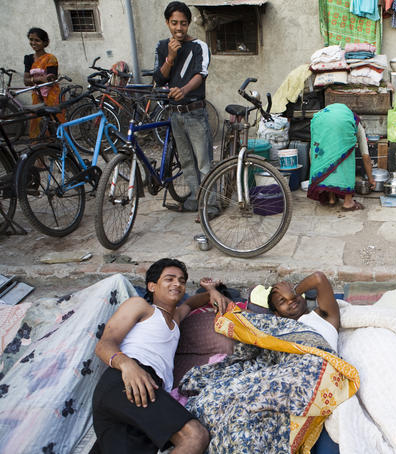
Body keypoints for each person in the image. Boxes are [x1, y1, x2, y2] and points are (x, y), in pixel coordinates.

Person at [92, 258, 231, 453]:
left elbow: (192, 302)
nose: (177, 284)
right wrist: (127, 365)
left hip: (147, 391)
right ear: (152, 286)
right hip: (126, 379)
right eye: (170, 279)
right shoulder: (141, 306)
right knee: (195, 436)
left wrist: (212, 290)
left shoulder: (176, 318)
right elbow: (104, 344)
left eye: (182, 281)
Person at [153, 1, 212, 213]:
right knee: (187, 162)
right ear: (167, 23)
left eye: (183, 23)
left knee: (204, 162)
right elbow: (159, 79)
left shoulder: (199, 46)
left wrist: (184, 90)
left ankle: (211, 205)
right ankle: (196, 200)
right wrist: (170, 57)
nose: (179, 28)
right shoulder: (162, 47)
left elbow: (201, 74)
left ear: (188, 24)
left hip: (194, 111)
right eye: (174, 23)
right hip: (174, 114)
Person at [307, 103, 376, 211]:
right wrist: (371, 179)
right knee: (347, 157)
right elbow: (365, 155)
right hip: (327, 119)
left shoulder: (329, 119)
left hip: (319, 120)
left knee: (326, 156)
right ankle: (348, 202)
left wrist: (316, 172)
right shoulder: (356, 124)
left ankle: (331, 199)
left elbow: (312, 150)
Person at [267, 271, 340, 349]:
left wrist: (294, 292)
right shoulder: (278, 330)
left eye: (291, 295)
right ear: (276, 313)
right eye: (282, 300)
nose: (290, 300)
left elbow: (318, 278)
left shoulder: (324, 315)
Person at [23, 27, 64, 138]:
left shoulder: (51, 59)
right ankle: (39, 149)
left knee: (53, 121)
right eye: (31, 40)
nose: (33, 43)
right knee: (37, 122)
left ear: (45, 43)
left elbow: (51, 80)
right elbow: (26, 81)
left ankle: (56, 147)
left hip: (51, 95)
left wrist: (47, 78)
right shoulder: (28, 59)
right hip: (37, 95)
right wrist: (39, 79)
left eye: (37, 40)